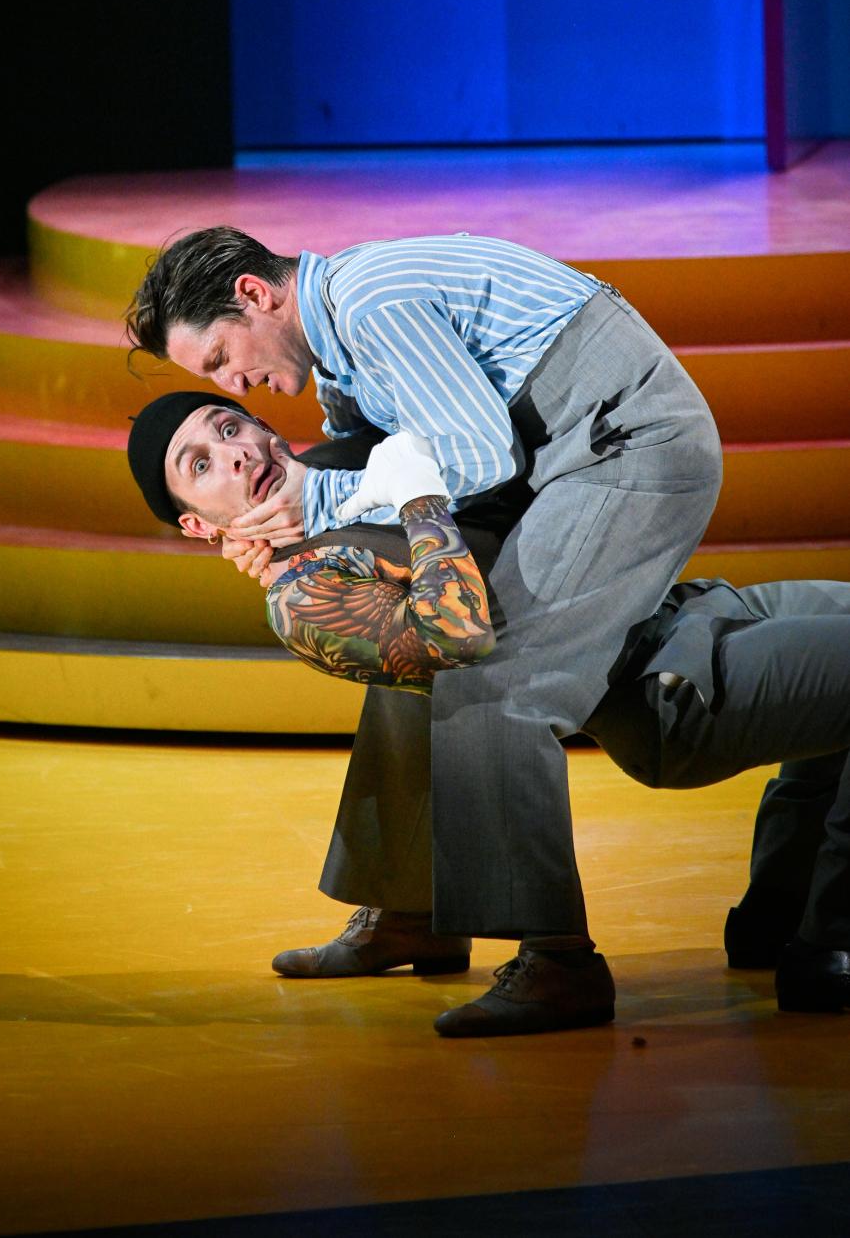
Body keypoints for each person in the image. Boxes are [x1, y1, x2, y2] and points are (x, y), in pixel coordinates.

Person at [124, 227, 726, 1033]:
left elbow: (478, 455)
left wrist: (316, 505)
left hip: (624, 447)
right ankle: (414, 910)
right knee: (403, 632)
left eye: (222, 360)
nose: (236, 385)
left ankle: (560, 960)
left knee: (492, 674)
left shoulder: (371, 303)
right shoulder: (337, 348)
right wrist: (272, 522)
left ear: (255, 295)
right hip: (550, 456)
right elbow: (372, 458)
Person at [126, 393, 850, 1029]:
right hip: (669, 685)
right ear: (198, 525)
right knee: (413, 654)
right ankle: (830, 945)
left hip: (689, 609)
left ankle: (775, 916)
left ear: (262, 426)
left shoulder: (342, 483)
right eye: (201, 465)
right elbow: (457, 636)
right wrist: (416, 500)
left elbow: (389, 422)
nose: (234, 455)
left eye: (229, 427)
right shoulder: (304, 591)